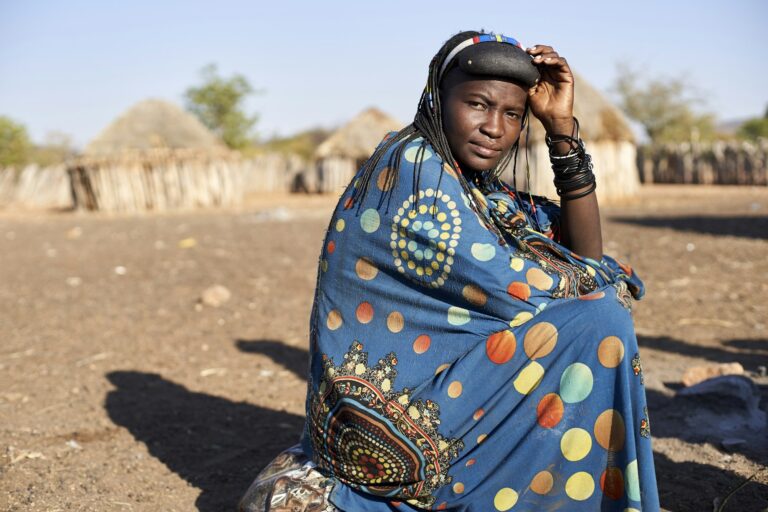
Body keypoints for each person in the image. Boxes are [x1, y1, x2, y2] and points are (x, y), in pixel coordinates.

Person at [240, 30, 659, 512]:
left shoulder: (479, 189)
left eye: (513, 114)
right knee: (598, 321)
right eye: (478, 104)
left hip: (430, 405)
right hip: (381, 433)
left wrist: (561, 129)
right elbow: (531, 288)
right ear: (439, 99)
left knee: (596, 316)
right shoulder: (413, 169)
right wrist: (601, 279)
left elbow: (582, 253)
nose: (495, 128)